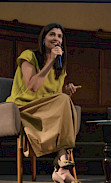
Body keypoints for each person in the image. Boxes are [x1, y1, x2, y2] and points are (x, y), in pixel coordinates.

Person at [6, 23, 82, 183]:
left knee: (64, 99)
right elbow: (33, 87)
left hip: (44, 109)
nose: (56, 39)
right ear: (44, 39)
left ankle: (62, 165)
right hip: (23, 108)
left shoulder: (60, 67)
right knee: (63, 101)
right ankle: (62, 165)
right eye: (52, 35)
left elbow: (53, 96)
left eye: (60, 36)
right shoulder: (29, 56)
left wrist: (65, 91)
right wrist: (50, 61)